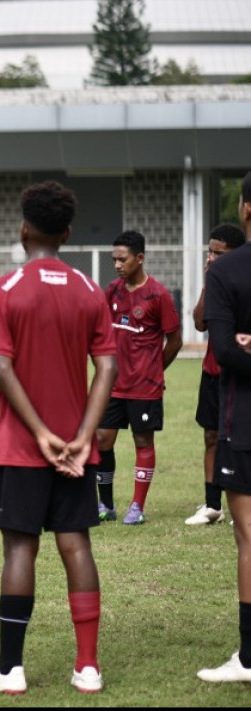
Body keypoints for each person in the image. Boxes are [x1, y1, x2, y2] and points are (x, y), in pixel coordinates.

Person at [0, 180, 116, 695]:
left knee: (19, 552)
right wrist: (80, 437)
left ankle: (11, 672)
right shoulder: (90, 290)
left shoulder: (3, 290)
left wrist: (43, 435)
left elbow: (1, 368)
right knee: (76, 546)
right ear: (68, 232)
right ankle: (89, 667)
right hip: (77, 448)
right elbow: (108, 367)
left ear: (24, 229)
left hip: (19, 446)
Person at [196, 170, 251, 683]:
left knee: (249, 537)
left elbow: (226, 351)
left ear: (245, 209)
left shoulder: (226, 270)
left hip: (246, 423)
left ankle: (250, 658)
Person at [93, 230, 182, 525]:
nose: (117, 265)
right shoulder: (112, 290)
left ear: (140, 258)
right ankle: (105, 504)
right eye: (114, 259)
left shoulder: (159, 295)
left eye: (123, 259)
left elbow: (175, 340)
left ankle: (137, 506)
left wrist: (155, 369)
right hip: (113, 386)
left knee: (142, 441)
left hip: (145, 387)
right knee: (102, 439)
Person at [187, 223, 246, 526]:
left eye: (218, 253)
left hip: (238, 372)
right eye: (209, 251)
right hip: (212, 372)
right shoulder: (216, 279)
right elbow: (199, 323)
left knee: (242, 439)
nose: (211, 257)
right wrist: (210, 282)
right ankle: (213, 506)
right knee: (211, 436)